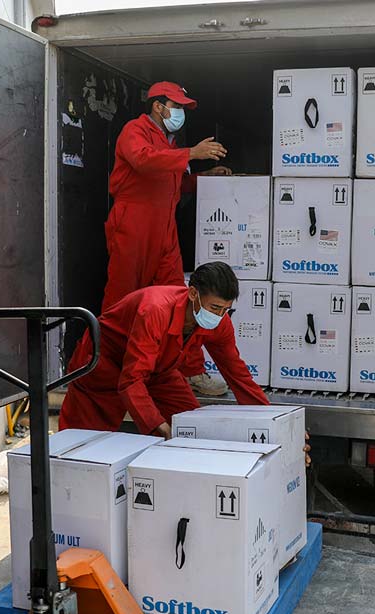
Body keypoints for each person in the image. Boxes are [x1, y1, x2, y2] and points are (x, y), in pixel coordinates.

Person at [103, 80, 232, 397]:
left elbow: (174, 184)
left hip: (164, 227)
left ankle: (190, 371)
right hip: (134, 223)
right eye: (176, 107)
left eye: (183, 108)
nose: (181, 113)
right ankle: (106, 369)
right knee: (122, 299)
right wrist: (192, 152)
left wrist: (204, 178)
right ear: (158, 106)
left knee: (182, 297)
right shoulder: (134, 131)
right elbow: (144, 161)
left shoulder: (168, 142)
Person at [60, 262, 268, 439]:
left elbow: (238, 375)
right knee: (83, 446)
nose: (219, 315)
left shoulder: (219, 322)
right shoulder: (155, 310)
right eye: (214, 308)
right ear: (193, 293)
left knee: (193, 428)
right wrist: (159, 427)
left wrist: (272, 421)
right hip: (103, 365)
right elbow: (132, 379)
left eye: (226, 309)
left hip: (159, 370)